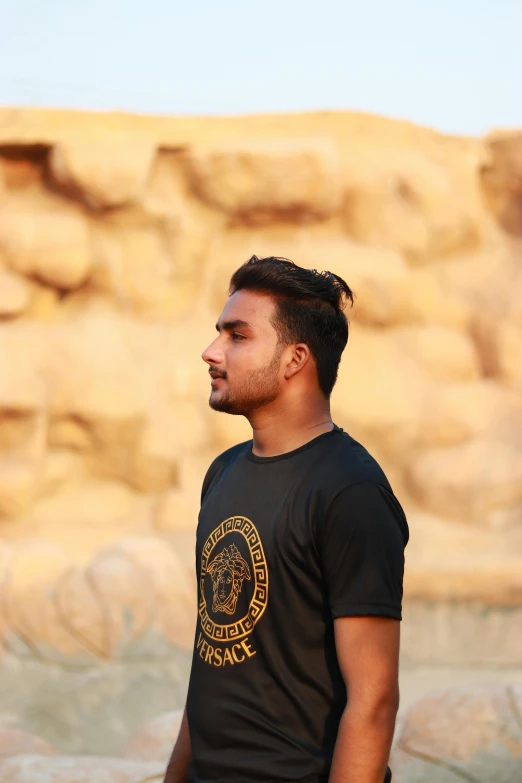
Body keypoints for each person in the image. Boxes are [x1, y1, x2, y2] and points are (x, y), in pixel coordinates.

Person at [164, 256, 409, 783]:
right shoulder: (223, 473)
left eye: (237, 336)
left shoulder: (351, 491)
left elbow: (374, 700)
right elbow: (214, 657)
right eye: (219, 334)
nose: (211, 352)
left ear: (295, 358)